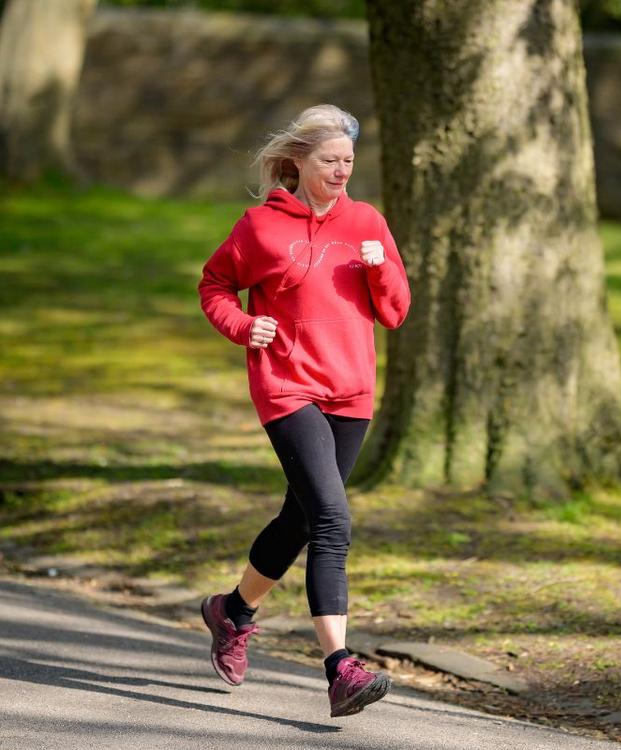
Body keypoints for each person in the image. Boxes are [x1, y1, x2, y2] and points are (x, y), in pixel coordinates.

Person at [196, 104, 411, 718]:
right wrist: (242, 324)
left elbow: (395, 311)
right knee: (332, 520)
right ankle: (340, 667)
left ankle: (232, 611)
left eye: (348, 160)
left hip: (351, 391)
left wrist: (380, 267)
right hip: (287, 386)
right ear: (298, 161)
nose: (342, 170)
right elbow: (214, 283)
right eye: (329, 160)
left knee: (300, 517)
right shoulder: (261, 227)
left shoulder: (367, 221)